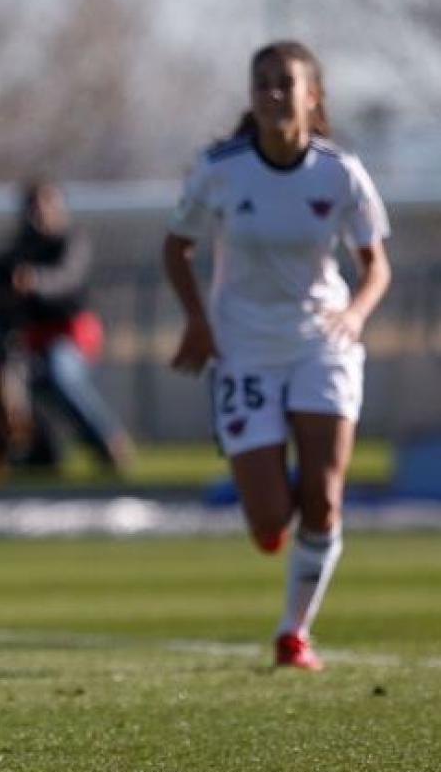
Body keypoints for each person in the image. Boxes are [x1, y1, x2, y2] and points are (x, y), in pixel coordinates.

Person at [163, 41, 391, 672]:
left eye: (284, 83)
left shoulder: (341, 173)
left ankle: (294, 632)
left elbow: (376, 267)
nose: (271, 94)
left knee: (323, 499)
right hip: (245, 349)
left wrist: (354, 313)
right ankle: (275, 504)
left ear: (311, 95)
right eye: (261, 82)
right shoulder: (220, 169)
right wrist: (197, 324)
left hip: (323, 344)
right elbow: (175, 247)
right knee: (270, 523)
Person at [0, 180, 133, 480]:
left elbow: (65, 278)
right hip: (23, 341)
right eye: (32, 207)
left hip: (67, 337)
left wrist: (34, 282)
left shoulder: (71, 243)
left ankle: (108, 442)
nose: (38, 214)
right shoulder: (12, 252)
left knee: (59, 371)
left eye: (46, 206)